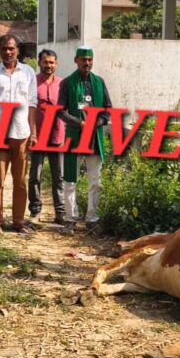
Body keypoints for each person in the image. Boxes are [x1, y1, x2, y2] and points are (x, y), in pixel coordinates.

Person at [0, 34, 37, 234]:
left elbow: (32, 104)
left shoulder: (28, 72)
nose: (8, 52)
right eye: (4, 48)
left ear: (17, 50)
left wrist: (33, 133)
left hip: (21, 133)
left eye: (11, 48)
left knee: (20, 181)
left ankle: (18, 222)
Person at [57, 46, 112, 235]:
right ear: (76, 60)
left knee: (95, 180)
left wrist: (98, 122)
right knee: (70, 179)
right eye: (83, 60)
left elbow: (107, 109)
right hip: (74, 136)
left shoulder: (99, 82)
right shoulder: (67, 83)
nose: (87, 63)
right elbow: (60, 111)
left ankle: (92, 219)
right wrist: (78, 123)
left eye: (89, 60)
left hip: (94, 138)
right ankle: (70, 219)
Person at [28, 49, 66, 225]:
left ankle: (60, 212)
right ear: (39, 63)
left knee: (58, 177)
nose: (48, 65)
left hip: (57, 135)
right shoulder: (32, 83)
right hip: (37, 136)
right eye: (45, 62)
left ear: (56, 64)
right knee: (35, 176)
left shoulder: (63, 84)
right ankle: (35, 211)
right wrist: (31, 133)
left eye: (51, 62)